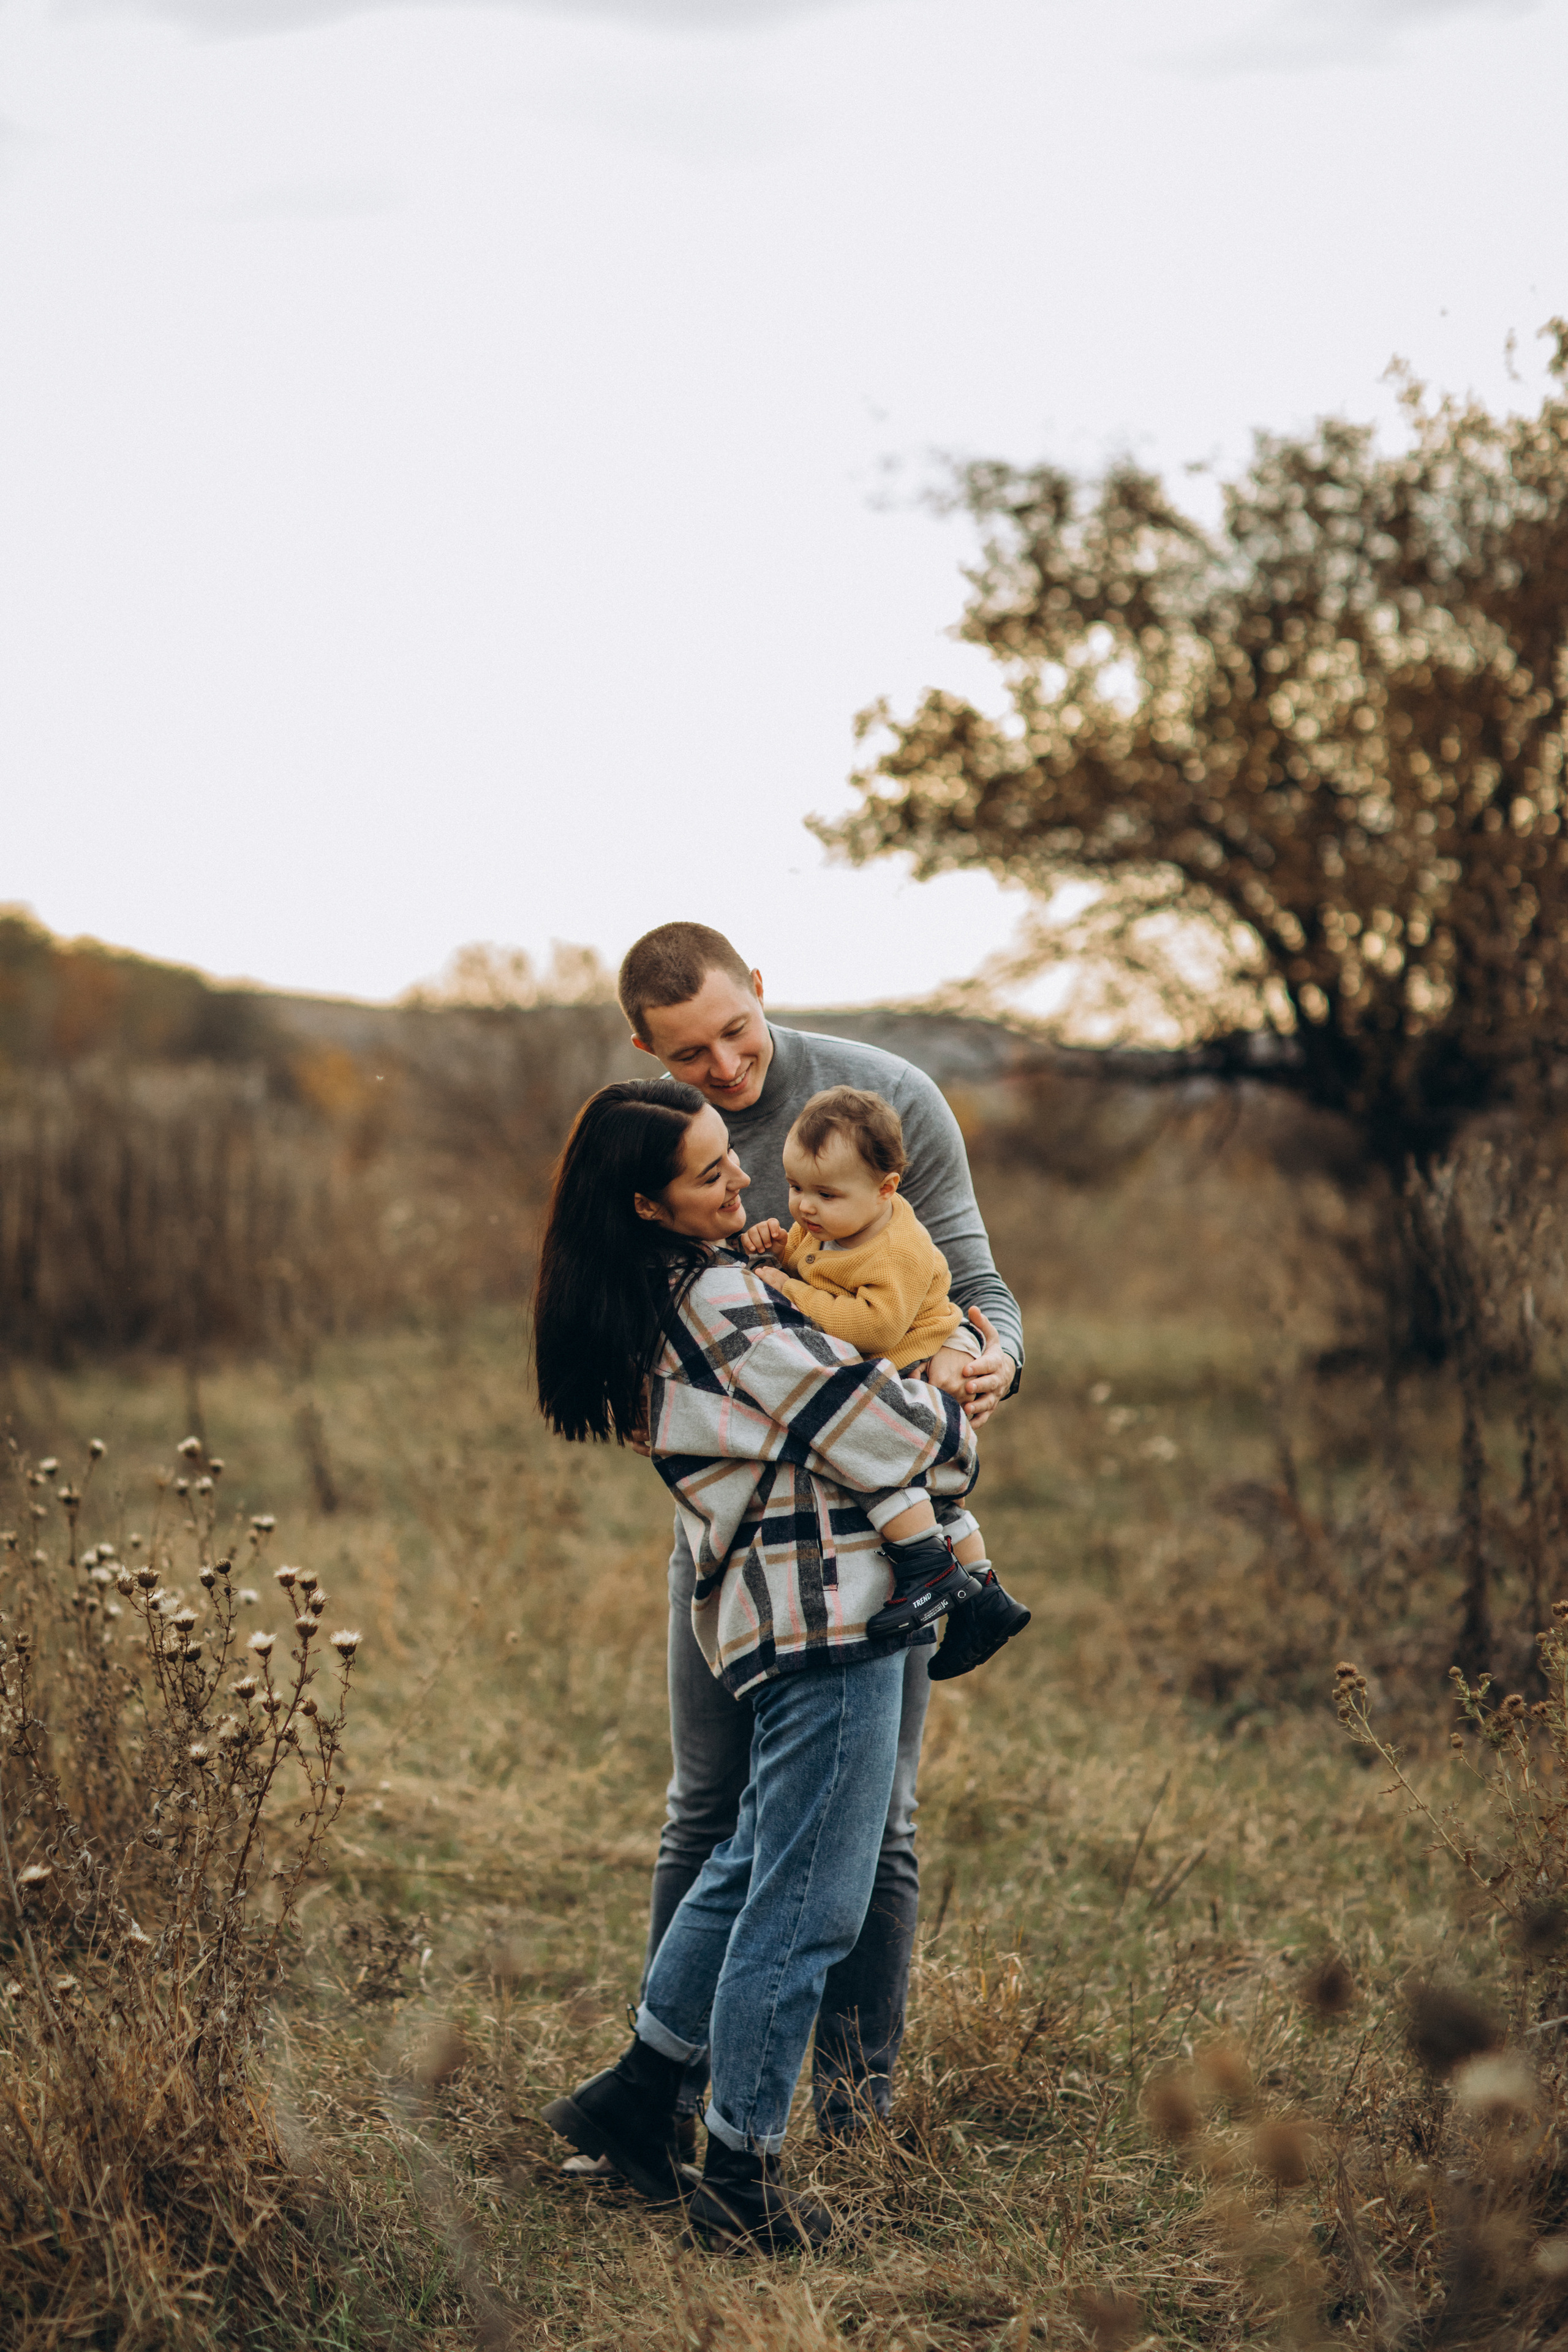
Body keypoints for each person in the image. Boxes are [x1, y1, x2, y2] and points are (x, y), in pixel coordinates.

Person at [533, 1077, 978, 2248]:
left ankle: (636, 2096)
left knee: (749, 1860)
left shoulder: (674, 1289)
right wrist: (953, 1405)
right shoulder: (728, 1301)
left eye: (736, 1156)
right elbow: (897, 1432)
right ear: (648, 1204)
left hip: (781, 1609)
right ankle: (743, 2174)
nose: (745, 1181)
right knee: (810, 1905)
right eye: (711, 1173)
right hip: (824, 1612)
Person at [617, 921, 1023, 2144]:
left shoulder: (886, 1100)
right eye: (689, 1054)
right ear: (645, 1050)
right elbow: (661, 1346)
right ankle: (671, 2101)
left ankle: (855, 2104)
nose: (725, 1068)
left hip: (879, 1521)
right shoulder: (659, 1141)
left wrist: (993, 1359)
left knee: (877, 1828)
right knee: (707, 1805)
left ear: (761, 994)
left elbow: (971, 1289)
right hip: (730, 1529)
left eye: (737, 1033)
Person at [738, 1083, 1030, 1679]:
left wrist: (785, 1288)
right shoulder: (834, 1223)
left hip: (914, 1373)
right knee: (937, 1496)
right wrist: (773, 1250)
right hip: (898, 1376)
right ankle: (984, 1597)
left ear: (886, 1189)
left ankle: (927, 1568)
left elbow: (872, 1327)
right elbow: (801, 1258)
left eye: (823, 1194)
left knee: (870, 1461)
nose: (804, 1208)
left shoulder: (894, 1248)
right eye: (795, 1188)